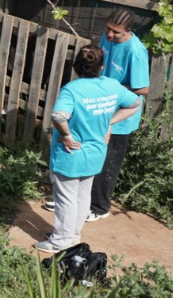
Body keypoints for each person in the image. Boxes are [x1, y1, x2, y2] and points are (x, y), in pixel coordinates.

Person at [38, 45, 140, 253]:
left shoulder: (73, 89)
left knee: (66, 198)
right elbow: (135, 103)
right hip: (96, 151)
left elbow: (58, 116)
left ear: (76, 65)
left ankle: (60, 241)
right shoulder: (112, 85)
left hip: (71, 153)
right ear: (101, 66)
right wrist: (110, 123)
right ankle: (72, 235)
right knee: (83, 196)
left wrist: (66, 135)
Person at [89, 9, 150, 222]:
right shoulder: (107, 39)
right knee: (91, 154)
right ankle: (79, 201)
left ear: (128, 31)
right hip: (101, 108)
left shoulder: (136, 51)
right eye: (108, 28)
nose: (109, 35)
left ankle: (100, 207)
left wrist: (111, 88)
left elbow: (142, 89)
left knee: (108, 162)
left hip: (121, 115)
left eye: (116, 32)